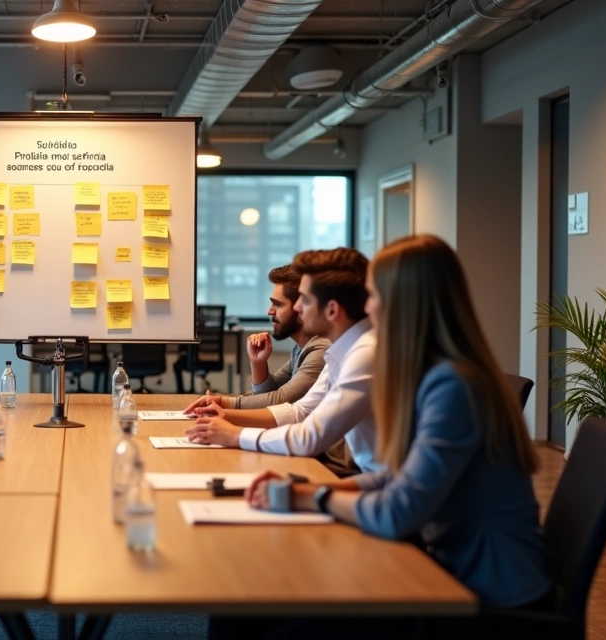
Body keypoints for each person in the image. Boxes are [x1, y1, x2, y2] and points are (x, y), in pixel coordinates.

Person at [224, 235, 553, 639]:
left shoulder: (453, 386)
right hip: (446, 567)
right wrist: (307, 488)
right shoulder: (436, 374)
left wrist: (313, 497)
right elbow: (397, 475)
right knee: (245, 609)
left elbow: (397, 512)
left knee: (253, 616)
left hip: (482, 595)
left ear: (404, 304)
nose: (368, 306)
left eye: (374, 295)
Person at [186, 248, 380, 474]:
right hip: (364, 478)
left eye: (305, 300)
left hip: (361, 478)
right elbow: (299, 412)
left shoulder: (364, 354)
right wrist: (225, 415)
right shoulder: (344, 350)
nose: (298, 308)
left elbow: (309, 435)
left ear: (332, 309)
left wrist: (235, 434)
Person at [184, 265, 331, 411]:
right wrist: (258, 362)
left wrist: (223, 402)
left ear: (301, 308)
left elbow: (279, 401)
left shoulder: (321, 351)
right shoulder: (301, 349)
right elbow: (268, 395)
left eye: (278, 305)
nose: (270, 311)